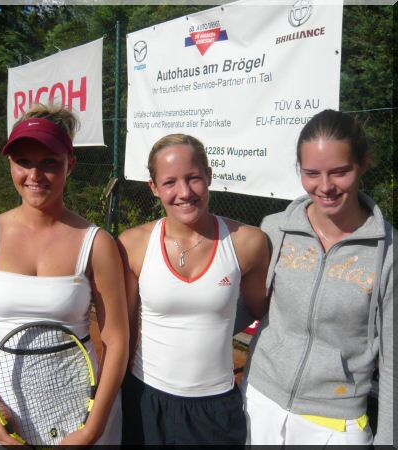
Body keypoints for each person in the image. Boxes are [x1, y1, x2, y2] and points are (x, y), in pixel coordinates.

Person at [0, 103, 128, 445]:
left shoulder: (97, 244)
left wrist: (93, 428)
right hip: (5, 409)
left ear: (70, 164)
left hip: (78, 409)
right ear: (10, 164)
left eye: (49, 163)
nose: (35, 175)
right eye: (23, 162)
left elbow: (117, 340)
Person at [243, 109, 395, 446]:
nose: (325, 187)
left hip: (336, 421)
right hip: (260, 400)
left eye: (340, 172)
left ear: (363, 163)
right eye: (312, 173)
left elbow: (393, 360)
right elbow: (246, 307)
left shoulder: (389, 252)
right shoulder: (274, 228)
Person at [117, 133, 270, 445]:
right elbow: (124, 333)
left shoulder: (248, 242)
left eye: (193, 178)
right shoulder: (132, 244)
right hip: (145, 398)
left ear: (209, 176)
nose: (184, 192)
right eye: (170, 182)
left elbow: (264, 312)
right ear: (154, 187)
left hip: (216, 407)